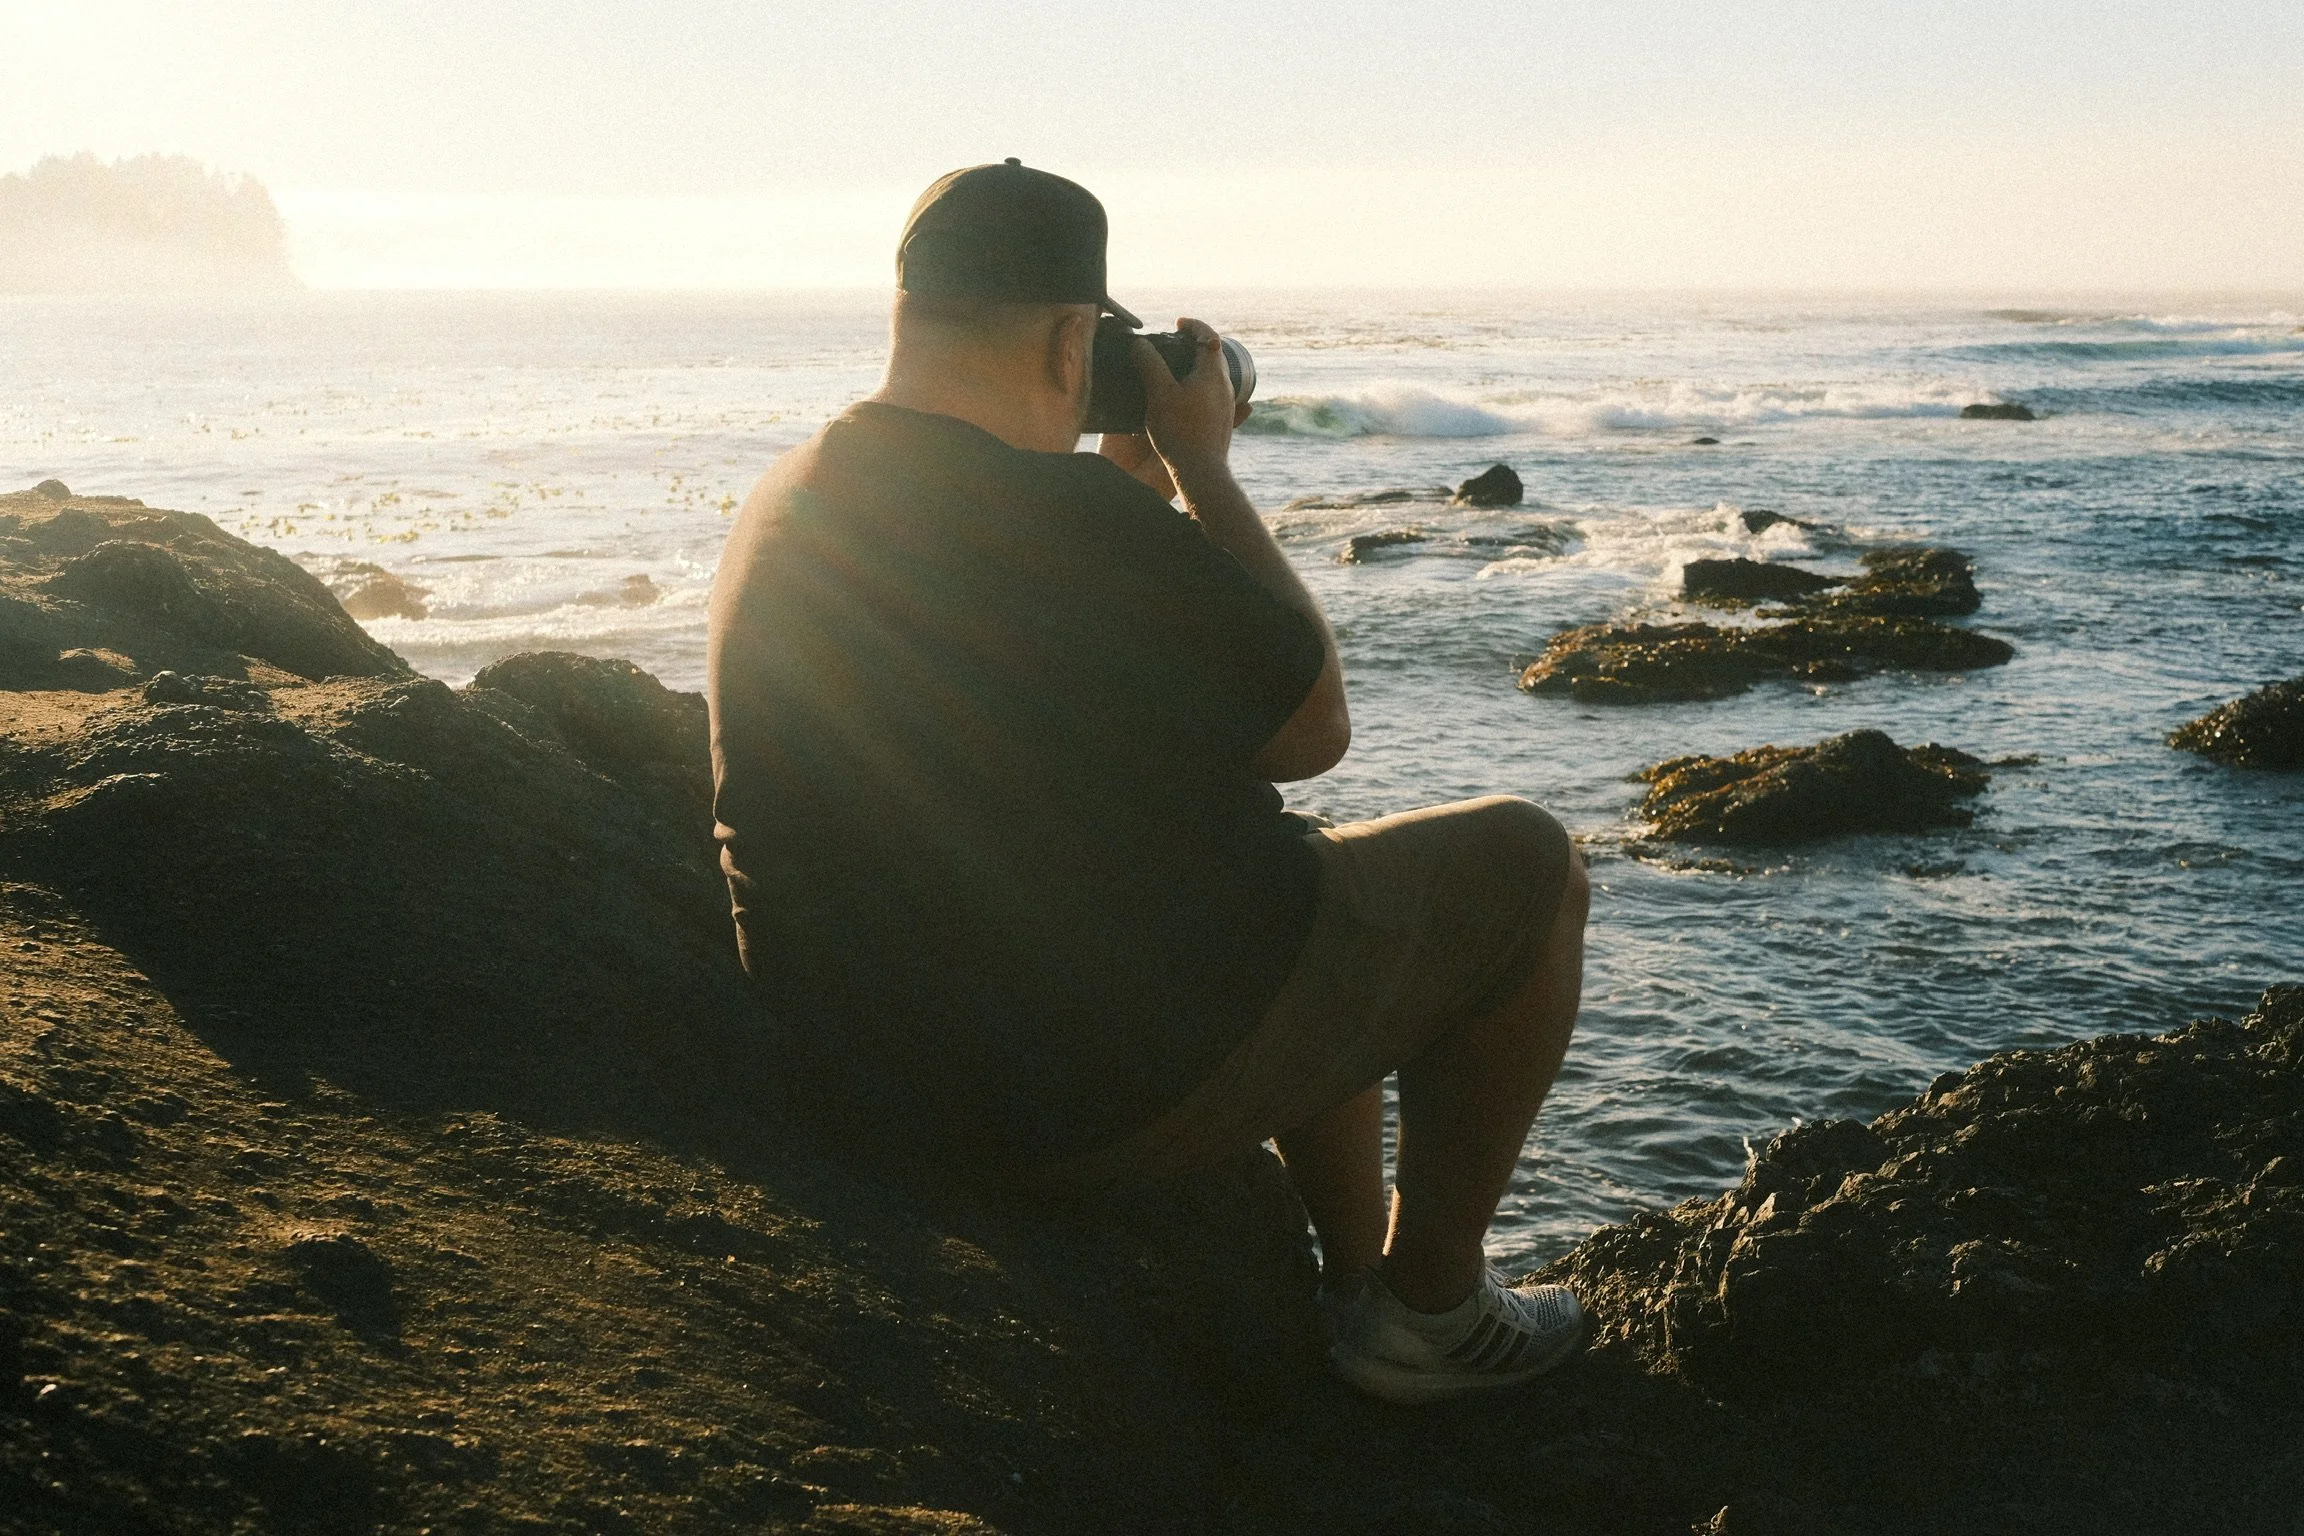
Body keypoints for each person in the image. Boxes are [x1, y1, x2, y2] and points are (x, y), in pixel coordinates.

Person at [706, 159, 1591, 1404]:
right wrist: (1205, 471)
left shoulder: (801, 494)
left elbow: (1043, 646)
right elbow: (1309, 727)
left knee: (1308, 866)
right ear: (1075, 340)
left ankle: (1353, 1284)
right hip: (1056, 1099)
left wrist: (1116, 473)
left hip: (866, 1075)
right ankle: (1433, 1306)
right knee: (1530, 861)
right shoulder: (1056, 514)